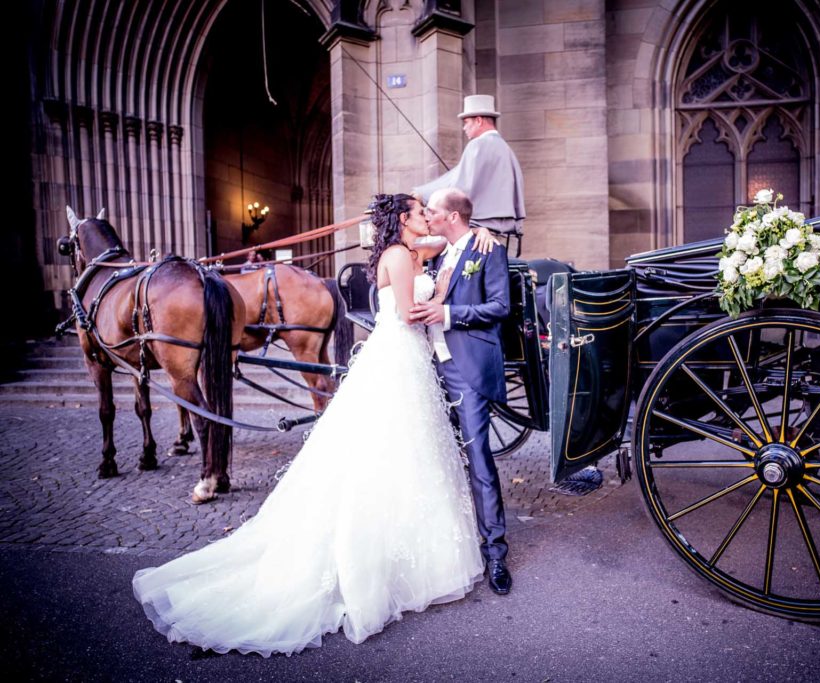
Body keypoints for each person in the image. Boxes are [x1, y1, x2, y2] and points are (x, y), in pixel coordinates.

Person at [132, 194, 484, 654]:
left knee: (404, 452)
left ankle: (408, 551)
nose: (429, 218)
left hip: (404, 361)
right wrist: (440, 296)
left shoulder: (412, 250)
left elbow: (446, 239)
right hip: (400, 356)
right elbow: (407, 314)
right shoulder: (400, 256)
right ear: (403, 220)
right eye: (420, 212)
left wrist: (474, 232)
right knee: (390, 451)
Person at [409, 188, 513, 596]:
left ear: (451, 217)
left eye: (433, 211)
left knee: (478, 458)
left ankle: (496, 553)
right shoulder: (440, 249)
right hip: (429, 368)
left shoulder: (489, 251)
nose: (428, 216)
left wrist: (449, 313)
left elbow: (500, 307)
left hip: (465, 368)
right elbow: (405, 237)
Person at [414, 94, 526, 238]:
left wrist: (422, 194)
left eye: (466, 122)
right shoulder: (506, 149)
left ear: (478, 120)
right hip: (505, 233)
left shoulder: (477, 144)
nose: (464, 127)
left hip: (479, 234)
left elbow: (459, 187)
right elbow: (458, 175)